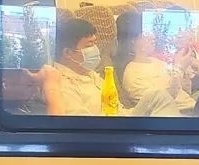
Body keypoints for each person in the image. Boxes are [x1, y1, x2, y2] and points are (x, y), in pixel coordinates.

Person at [30, 17, 179, 117]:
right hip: (105, 133)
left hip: (119, 120)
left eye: (95, 43)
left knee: (157, 96)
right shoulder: (60, 82)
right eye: (89, 45)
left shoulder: (90, 74)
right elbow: (80, 124)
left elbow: (116, 109)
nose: (95, 49)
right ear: (68, 53)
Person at [116, 12, 196, 113]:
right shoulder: (132, 74)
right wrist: (179, 68)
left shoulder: (157, 62)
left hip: (193, 106)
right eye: (146, 34)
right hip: (179, 115)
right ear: (133, 41)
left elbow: (185, 92)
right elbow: (160, 102)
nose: (153, 37)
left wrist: (185, 70)